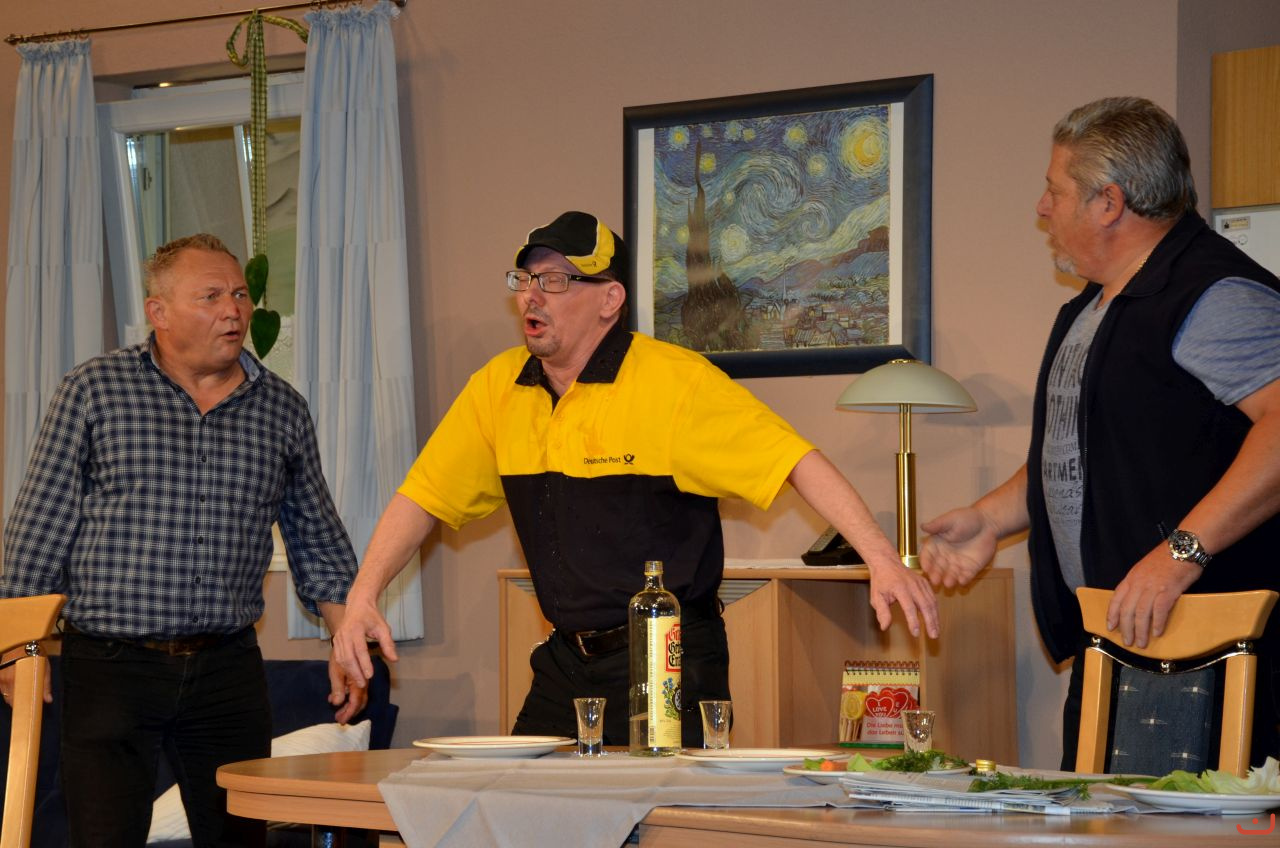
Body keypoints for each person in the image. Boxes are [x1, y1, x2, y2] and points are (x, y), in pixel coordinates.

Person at [332, 210, 939, 745]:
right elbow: (424, 497)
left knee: (660, 821)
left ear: (609, 299)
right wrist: (362, 597)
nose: (532, 297)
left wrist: (882, 559)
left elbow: (796, 461)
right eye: (525, 280)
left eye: (556, 281)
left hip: (667, 658)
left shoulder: (676, 384)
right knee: (515, 803)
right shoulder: (497, 388)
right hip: (565, 660)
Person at [919, 97, 1280, 768]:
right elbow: (1088, 453)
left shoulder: (1213, 296)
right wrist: (991, 518)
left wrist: (1181, 553)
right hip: (1118, 642)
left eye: (1055, 191)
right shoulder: (1096, 304)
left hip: (1204, 656)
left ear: (1109, 202)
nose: (1042, 208)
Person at [0, 234, 364, 848]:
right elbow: (41, 523)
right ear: (159, 312)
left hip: (226, 671)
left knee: (238, 838)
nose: (234, 310)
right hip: (109, 667)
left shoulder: (281, 409)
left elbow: (318, 537)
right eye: (211, 296)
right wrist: (15, 650)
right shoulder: (95, 390)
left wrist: (346, 640)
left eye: (240, 295)